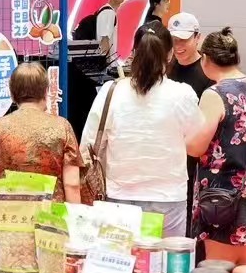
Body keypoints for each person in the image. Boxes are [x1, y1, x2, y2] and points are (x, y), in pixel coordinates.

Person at [81, 28, 203, 235]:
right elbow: (197, 143)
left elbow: (88, 145)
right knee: (167, 256)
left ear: (134, 52)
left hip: (118, 197)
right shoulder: (182, 94)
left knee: (121, 256)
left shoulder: (111, 91)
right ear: (170, 54)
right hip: (168, 198)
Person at [186, 28, 246, 262]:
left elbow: (196, 147)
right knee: (239, 261)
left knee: (217, 267)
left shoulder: (215, 94)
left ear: (206, 58)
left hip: (220, 195)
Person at [0, 63, 81, 203]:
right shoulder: (62, 126)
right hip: (52, 211)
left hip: (11, 209)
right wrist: (76, 213)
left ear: (12, 93)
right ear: (46, 91)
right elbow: (72, 184)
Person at [166, 12, 216, 99]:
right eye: (173, 39)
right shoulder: (165, 67)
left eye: (183, 39)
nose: (177, 45)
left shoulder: (209, 72)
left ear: (197, 37)